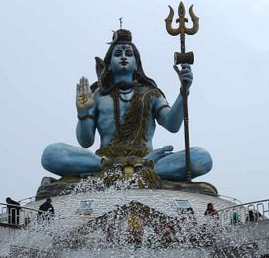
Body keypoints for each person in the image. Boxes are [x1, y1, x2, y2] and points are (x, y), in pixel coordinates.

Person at [40, 28, 213, 181]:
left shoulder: (151, 93)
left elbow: (172, 125)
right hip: (104, 161)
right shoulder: (99, 96)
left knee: (202, 158)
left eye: (128, 54)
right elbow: (86, 142)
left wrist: (184, 92)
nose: (123, 57)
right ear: (108, 64)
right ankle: (122, 168)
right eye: (118, 53)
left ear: (137, 63)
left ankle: (144, 166)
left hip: (147, 158)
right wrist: (83, 113)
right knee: (50, 154)